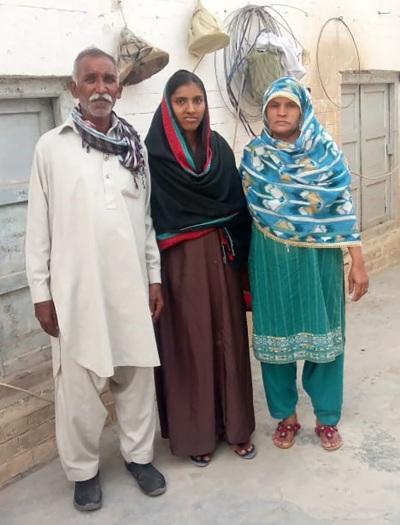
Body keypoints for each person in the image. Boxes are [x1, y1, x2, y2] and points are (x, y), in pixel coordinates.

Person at [25, 47, 166, 511]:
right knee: (79, 390)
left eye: (108, 79)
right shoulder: (52, 146)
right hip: (75, 292)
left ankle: (139, 457)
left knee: (136, 376)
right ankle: (84, 472)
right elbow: (38, 227)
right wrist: (41, 294)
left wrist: (154, 278)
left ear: (119, 90)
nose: (100, 88)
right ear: (74, 88)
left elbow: (144, 221)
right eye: (90, 80)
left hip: (128, 287)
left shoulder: (135, 149)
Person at [240, 77, 369, 452]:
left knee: (325, 336)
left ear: (302, 110)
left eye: (289, 105)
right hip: (270, 257)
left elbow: (342, 207)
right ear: (265, 111)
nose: (282, 112)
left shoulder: (326, 153)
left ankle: (327, 419)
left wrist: (357, 262)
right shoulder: (254, 156)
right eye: (274, 106)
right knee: (275, 336)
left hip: (320, 259)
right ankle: (286, 417)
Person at [145, 70, 256, 466]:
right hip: (179, 265)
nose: (190, 109)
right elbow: (148, 218)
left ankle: (236, 427)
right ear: (167, 104)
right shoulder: (153, 155)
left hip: (221, 262)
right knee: (190, 345)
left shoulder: (220, 149)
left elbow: (236, 207)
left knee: (226, 340)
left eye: (197, 100)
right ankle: (198, 434)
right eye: (181, 101)